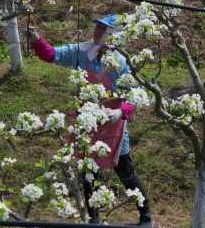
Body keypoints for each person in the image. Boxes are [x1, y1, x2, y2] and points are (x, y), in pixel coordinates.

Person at [29, 14, 153, 227]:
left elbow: (136, 94)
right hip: (87, 122)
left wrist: (121, 112)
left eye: (102, 29)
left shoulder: (121, 62)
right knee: (89, 170)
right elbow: (52, 55)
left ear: (113, 36)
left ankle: (146, 216)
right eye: (97, 27)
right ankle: (94, 218)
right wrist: (36, 39)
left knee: (124, 170)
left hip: (113, 123)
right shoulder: (82, 51)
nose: (96, 31)